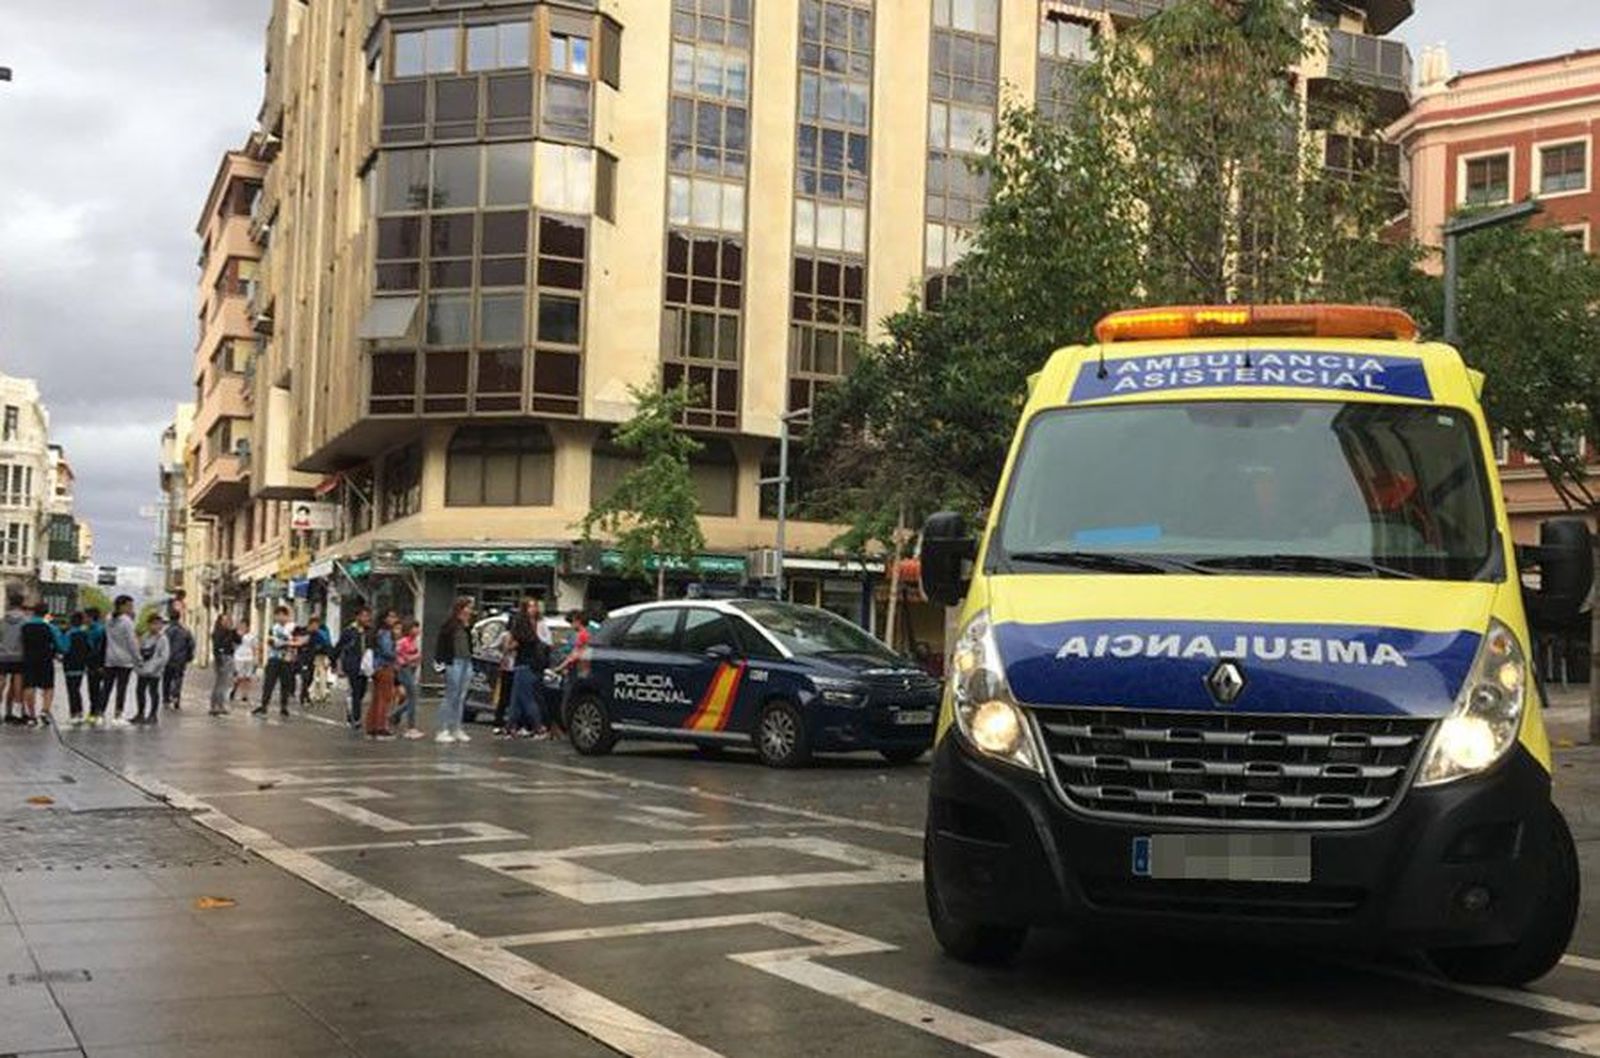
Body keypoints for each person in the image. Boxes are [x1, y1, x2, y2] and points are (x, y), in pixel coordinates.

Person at [507, 596, 551, 739]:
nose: (533, 609)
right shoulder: (522, 625)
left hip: (530, 664)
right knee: (521, 697)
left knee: (522, 696)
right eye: (530, 606)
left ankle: (533, 726)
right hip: (523, 662)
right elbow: (511, 643)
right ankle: (518, 726)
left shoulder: (538, 624)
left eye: (535, 606)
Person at [433, 597, 474, 743]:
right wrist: (440, 666)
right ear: (460, 608)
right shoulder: (450, 625)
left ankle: (456, 728)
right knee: (451, 695)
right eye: (467, 607)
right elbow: (441, 645)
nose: (470, 611)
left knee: (461, 696)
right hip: (453, 661)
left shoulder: (467, 625)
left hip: (466, 661)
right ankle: (442, 729)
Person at [99, 595, 139, 724]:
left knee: (106, 688)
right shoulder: (127, 622)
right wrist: (137, 659)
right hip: (125, 661)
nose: (131, 608)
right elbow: (132, 643)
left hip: (110, 659)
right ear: (122, 606)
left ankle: (100, 714)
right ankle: (118, 715)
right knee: (121, 689)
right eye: (130, 606)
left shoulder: (109, 618)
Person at [254, 606, 299, 718]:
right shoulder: (273, 628)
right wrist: (287, 643)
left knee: (285, 684)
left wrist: (285, 643)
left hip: (287, 659)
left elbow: (298, 642)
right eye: (277, 615)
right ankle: (264, 706)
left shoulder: (293, 628)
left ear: (286, 616)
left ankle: (284, 707)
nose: (279, 618)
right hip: (274, 659)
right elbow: (270, 642)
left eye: (281, 615)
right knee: (269, 683)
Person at [335, 606, 373, 728]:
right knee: (356, 691)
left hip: (366, 666)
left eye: (368, 615)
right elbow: (338, 648)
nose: (367, 618)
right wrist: (336, 665)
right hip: (353, 665)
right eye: (364, 615)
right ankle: (356, 719)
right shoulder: (349, 631)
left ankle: (351, 705)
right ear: (357, 617)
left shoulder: (370, 631)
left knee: (362, 691)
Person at [20, 604, 58, 727]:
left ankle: (31, 716)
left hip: (28, 659)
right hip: (46, 659)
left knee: (29, 686)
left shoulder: (24, 627)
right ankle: (44, 711)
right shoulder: (50, 627)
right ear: (46, 613)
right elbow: (60, 645)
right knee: (48, 686)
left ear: (33, 612)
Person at [364, 610, 398, 739]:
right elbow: (387, 651)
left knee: (377, 698)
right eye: (391, 616)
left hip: (376, 667)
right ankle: (380, 727)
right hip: (385, 667)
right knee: (384, 698)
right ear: (385, 619)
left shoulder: (377, 632)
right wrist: (397, 654)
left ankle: (371, 726)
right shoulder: (386, 633)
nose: (394, 619)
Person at [133, 614, 170, 725]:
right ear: (149, 624)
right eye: (154, 623)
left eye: (159, 624)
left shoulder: (163, 639)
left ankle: (153, 715)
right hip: (143, 670)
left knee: (153, 692)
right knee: (140, 692)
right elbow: (139, 651)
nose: (157, 626)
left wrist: (155, 667)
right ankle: (140, 714)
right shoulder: (145, 636)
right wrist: (139, 665)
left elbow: (164, 656)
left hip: (154, 672)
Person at [391, 618, 424, 739]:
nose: (417, 630)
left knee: (412, 698)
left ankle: (394, 715)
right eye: (414, 627)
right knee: (413, 698)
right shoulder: (403, 641)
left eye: (418, 627)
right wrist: (412, 658)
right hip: (404, 670)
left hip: (411, 670)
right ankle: (411, 727)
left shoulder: (413, 641)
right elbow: (398, 656)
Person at [0, 590, 26, 724]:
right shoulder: (25, 620)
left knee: (1, 683)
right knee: (17, 686)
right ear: (22, 604)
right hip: (19, 656)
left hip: (3, 655)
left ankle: (2, 712)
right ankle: (15, 714)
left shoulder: (3, 619)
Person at [62, 612, 92, 725]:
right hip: (80, 665)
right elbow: (89, 648)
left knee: (71, 689)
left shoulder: (69, 634)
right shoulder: (85, 634)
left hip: (69, 665)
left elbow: (64, 648)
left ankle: (74, 713)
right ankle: (79, 712)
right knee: (77, 688)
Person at [162, 613, 196, 711]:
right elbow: (191, 644)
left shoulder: (167, 631)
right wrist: (189, 657)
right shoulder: (185, 630)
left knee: (166, 680)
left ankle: (166, 700)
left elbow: (163, 645)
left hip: (168, 659)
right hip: (180, 660)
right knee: (178, 679)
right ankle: (176, 697)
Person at [209, 614, 240, 716]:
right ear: (220, 621)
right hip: (222, 658)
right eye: (225, 620)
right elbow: (216, 648)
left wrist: (234, 631)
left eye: (228, 620)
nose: (227, 622)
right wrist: (219, 661)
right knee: (220, 683)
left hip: (229, 657)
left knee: (225, 683)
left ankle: (221, 705)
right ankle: (215, 706)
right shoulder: (218, 633)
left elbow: (238, 640)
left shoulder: (230, 632)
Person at [298, 616, 331, 705]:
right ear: (311, 624)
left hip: (311, 658)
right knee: (305, 677)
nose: (316, 628)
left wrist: (322, 649)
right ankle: (304, 697)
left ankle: (306, 695)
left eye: (317, 626)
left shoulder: (317, 634)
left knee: (310, 678)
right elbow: (297, 642)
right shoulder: (302, 632)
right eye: (315, 625)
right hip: (302, 658)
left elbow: (325, 643)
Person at [491, 625, 516, 736]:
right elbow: (492, 647)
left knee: (515, 697)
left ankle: (512, 723)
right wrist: (501, 656)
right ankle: (498, 722)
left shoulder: (523, 636)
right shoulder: (505, 636)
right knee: (504, 697)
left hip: (517, 668)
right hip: (507, 669)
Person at [83, 607, 107, 727]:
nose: (84, 619)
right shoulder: (89, 630)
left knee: (97, 689)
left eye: (85, 616)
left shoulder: (100, 630)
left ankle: (97, 712)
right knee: (92, 689)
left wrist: (101, 665)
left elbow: (102, 649)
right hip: (91, 664)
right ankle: (93, 712)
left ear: (90, 617)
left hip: (98, 664)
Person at [232, 619, 258, 702]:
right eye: (241, 625)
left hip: (249, 658)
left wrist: (255, 658)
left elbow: (254, 647)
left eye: (244, 626)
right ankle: (234, 689)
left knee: (247, 677)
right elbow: (232, 645)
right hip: (238, 657)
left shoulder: (252, 636)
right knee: (239, 677)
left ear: (248, 627)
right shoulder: (236, 635)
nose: (243, 627)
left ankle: (245, 694)